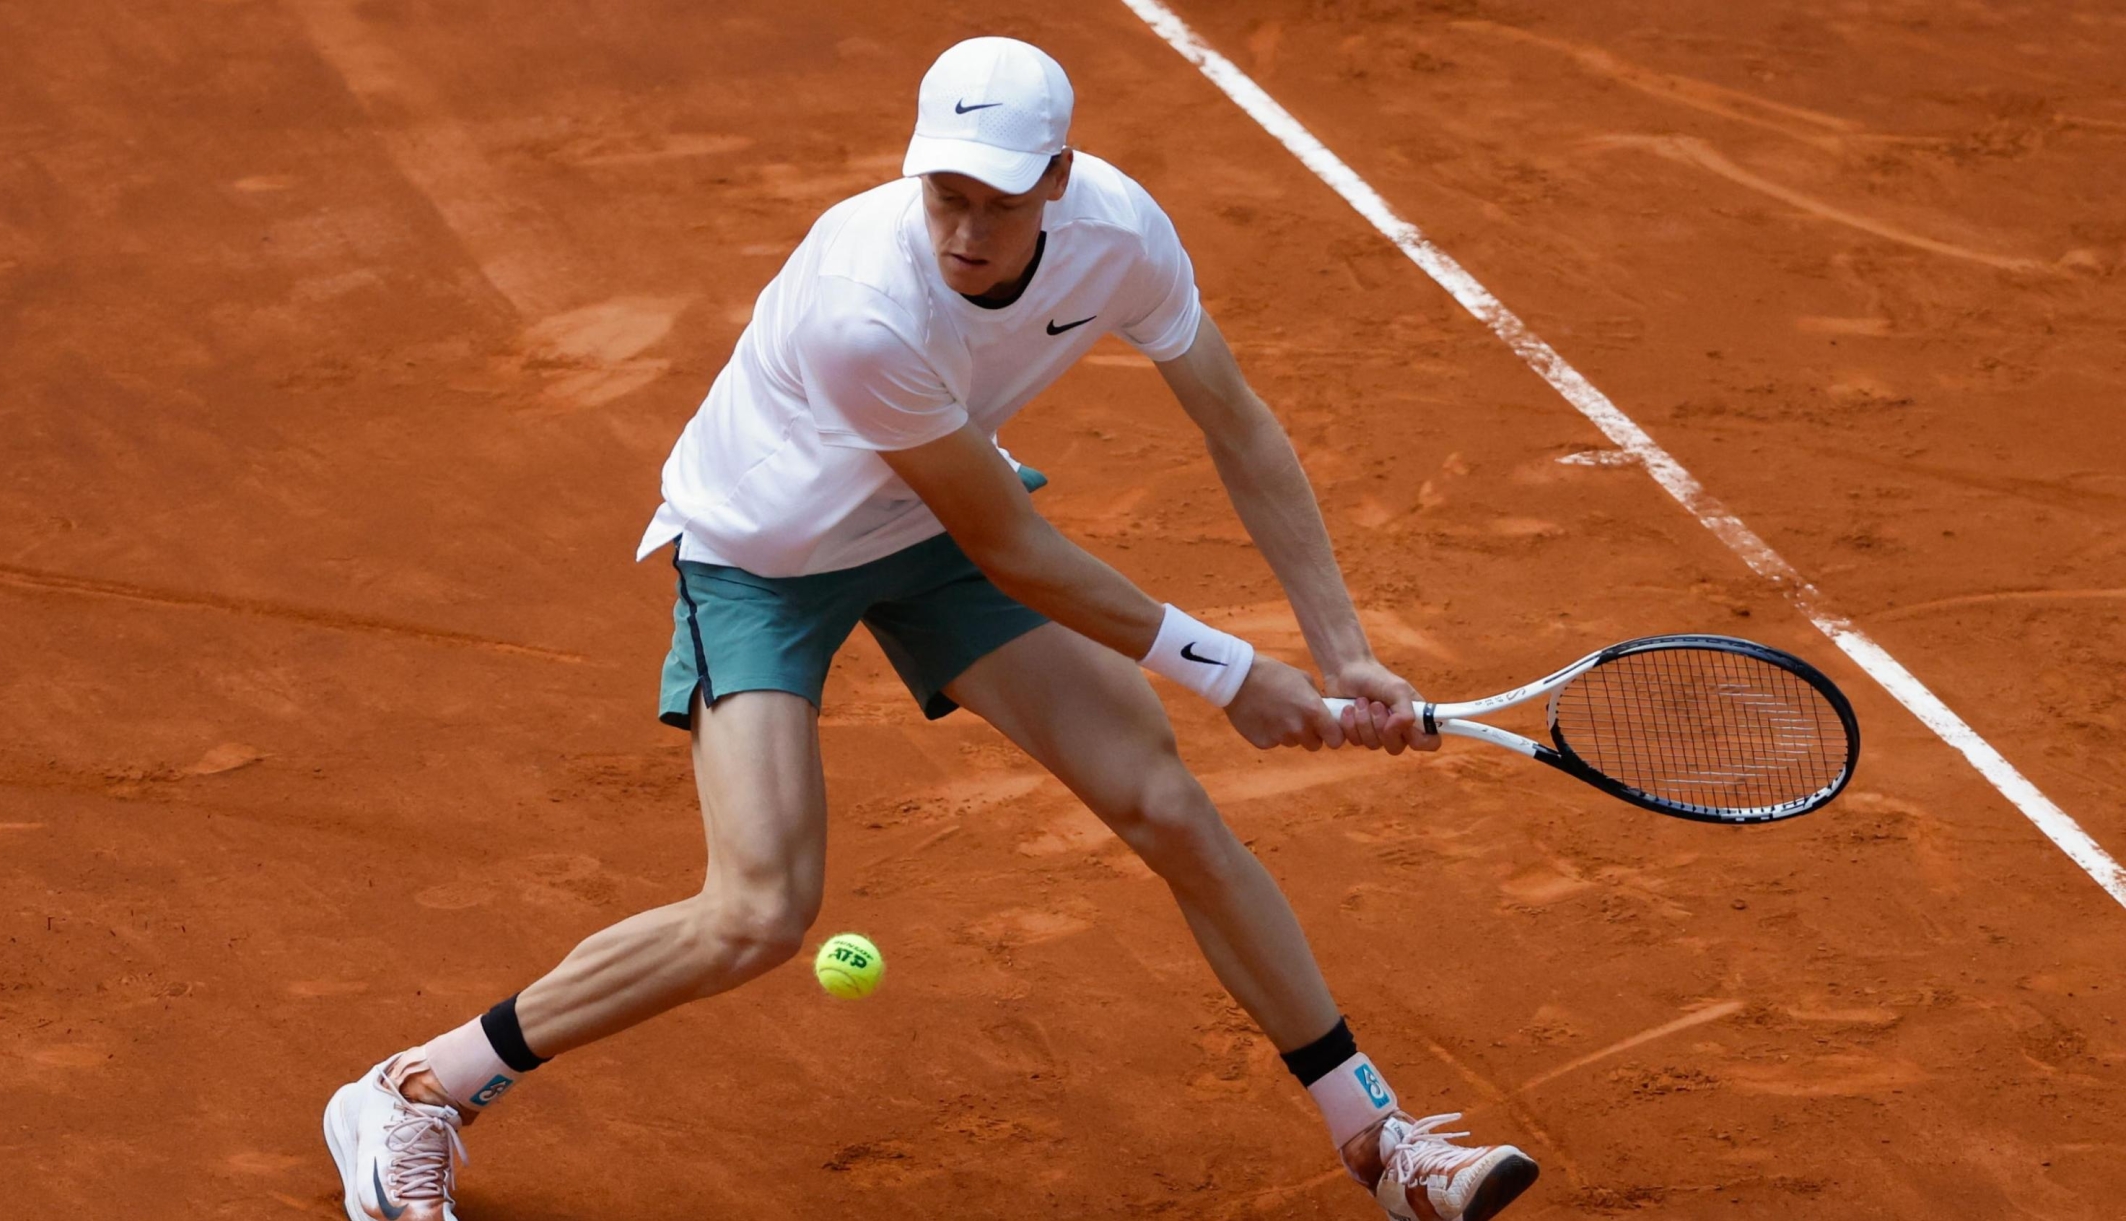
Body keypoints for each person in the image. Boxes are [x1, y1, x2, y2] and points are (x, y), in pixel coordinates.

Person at [324, 35, 1538, 1221]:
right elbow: (1017, 548)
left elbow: (1238, 424)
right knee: (757, 914)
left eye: (997, 204)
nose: (962, 231)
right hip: (766, 554)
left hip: (933, 526)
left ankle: (1379, 1143)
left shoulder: (1120, 233)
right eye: (943, 195)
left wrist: (1337, 647)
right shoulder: (866, 306)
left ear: (1058, 180)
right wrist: (1230, 673)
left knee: (1165, 804)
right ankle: (417, 1089)